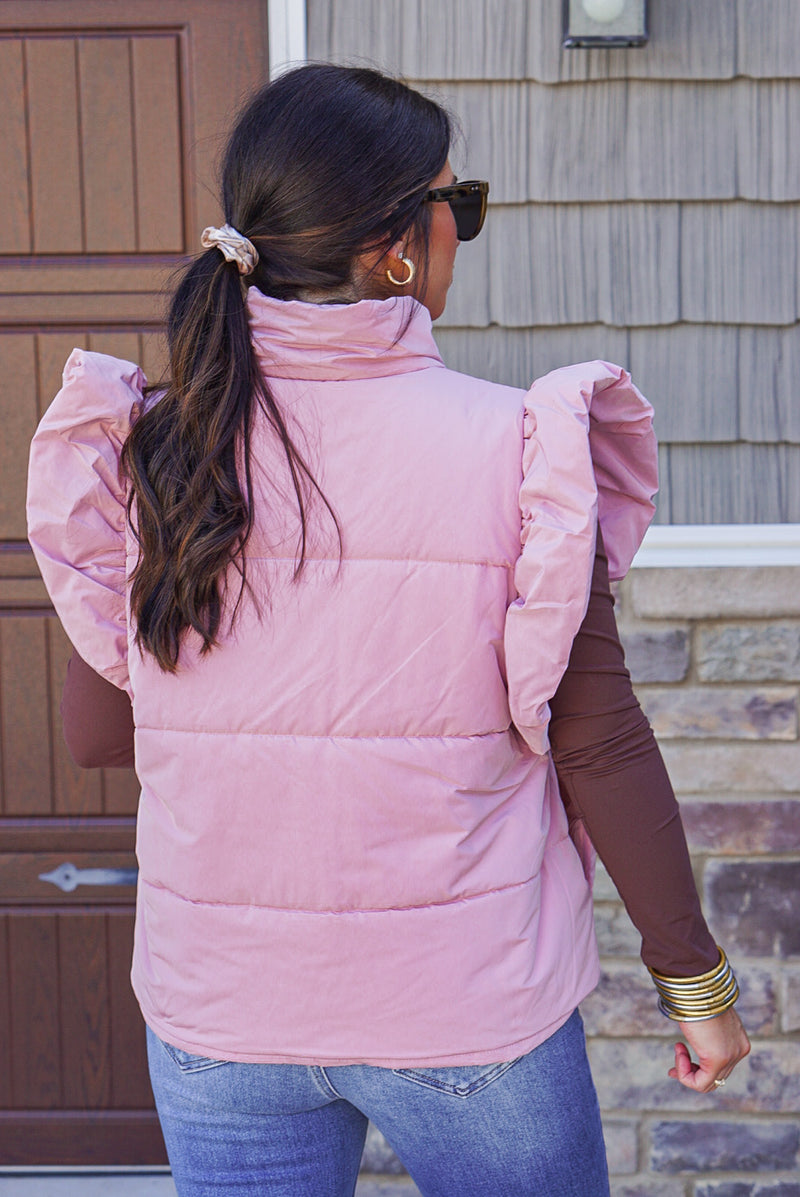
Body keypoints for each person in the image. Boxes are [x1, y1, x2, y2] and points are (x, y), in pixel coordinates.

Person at [27, 64, 749, 1197]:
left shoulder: (146, 447)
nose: (461, 230)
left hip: (223, 1017)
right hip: (464, 1013)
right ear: (397, 247)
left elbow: (98, 735)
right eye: (456, 205)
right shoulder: (519, 450)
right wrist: (695, 990)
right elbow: (598, 745)